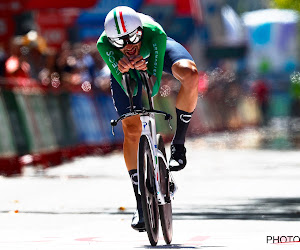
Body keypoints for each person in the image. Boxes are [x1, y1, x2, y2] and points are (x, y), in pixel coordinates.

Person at [97, 6, 199, 231]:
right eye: (120, 42)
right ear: (111, 41)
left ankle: (179, 146)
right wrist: (125, 70)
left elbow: (152, 88)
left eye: (133, 37)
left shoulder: (153, 33)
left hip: (155, 54)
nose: (128, 46)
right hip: (126, 68)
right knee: (131, 129)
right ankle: (140, 203)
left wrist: (145, 67)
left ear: (140, 31)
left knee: (190, 74)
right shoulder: (104, 45)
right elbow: (130, 88)